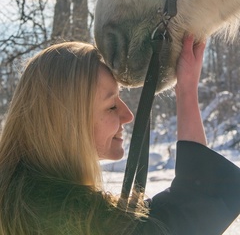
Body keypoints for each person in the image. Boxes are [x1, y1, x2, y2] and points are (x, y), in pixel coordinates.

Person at [0, 36, 239, 235]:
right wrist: (186, 91)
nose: (128, 116)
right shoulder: (83, 221)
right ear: (68, 122)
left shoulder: (15, 198)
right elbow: (194, 206)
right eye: (111, 106)